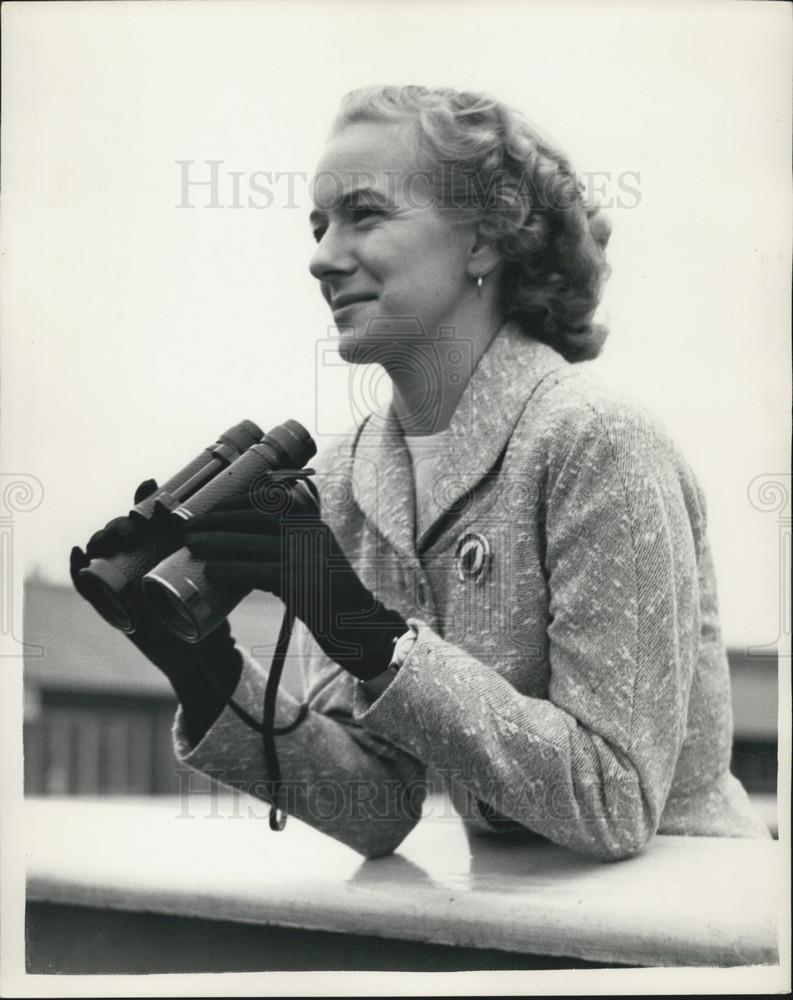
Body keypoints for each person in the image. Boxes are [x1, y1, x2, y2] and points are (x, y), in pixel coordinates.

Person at [71, 85, 770, 860]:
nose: (320, 257)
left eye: (364, 213)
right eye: (317, 224)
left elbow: (613, 800)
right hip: (521, 931)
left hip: (684, 916)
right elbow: (376, 807)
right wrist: (203, 669)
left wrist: (363, 632)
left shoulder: (595, 441)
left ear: (480, 240)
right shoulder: (352, 474)